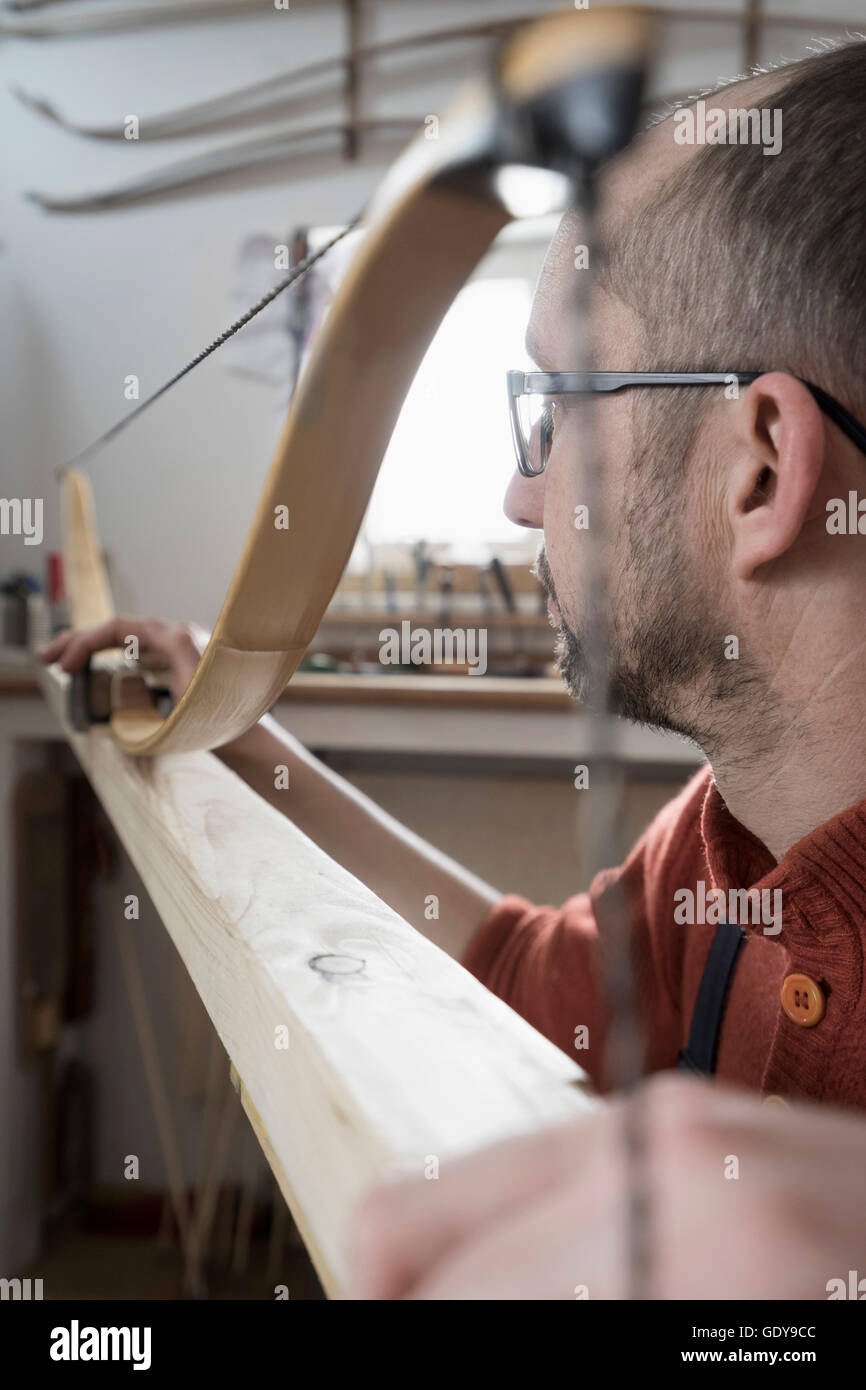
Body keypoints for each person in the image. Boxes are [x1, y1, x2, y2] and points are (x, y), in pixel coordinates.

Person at [41, 39, 866, 1298]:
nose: (519, 492)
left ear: (759, 468)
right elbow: (528, 977)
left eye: (558, 402)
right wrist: (238, 723)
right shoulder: (724, 842)